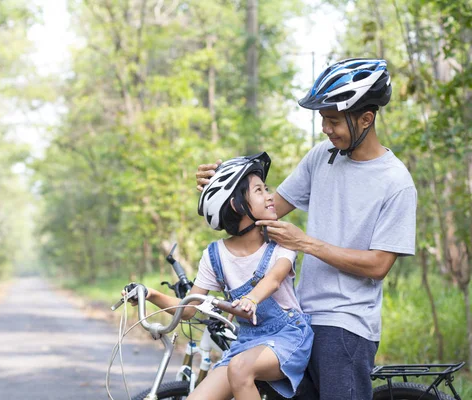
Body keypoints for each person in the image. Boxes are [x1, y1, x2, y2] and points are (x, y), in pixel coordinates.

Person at [195, 58, 417, 400]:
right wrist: (227, 190)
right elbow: (268, 211)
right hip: (297, 321)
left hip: (345, 325)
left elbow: (378, 265)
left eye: (332, 121)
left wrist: (307, 244)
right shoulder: (322, 157)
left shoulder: (396, 183)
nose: (326, 129)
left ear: (366, 119)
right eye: (322, 121)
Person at [125, 153, 313, 400]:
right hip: (246, 342)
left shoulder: (280, 242)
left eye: (266, 189)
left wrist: (252, 299)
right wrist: (150, 294)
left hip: (287, 336)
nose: (270, 196)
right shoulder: (215, 255)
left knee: (239, 368)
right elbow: (190, 308)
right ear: (237, 204)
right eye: (259, 191)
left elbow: (274, 278)